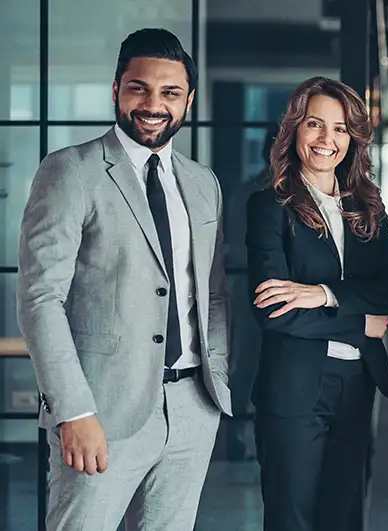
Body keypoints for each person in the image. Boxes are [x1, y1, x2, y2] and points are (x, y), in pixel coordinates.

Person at [17, 28, 231, 530]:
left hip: (192, 408)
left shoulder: (203, 184)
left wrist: (215, 385)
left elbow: (212, 294)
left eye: (170, 92)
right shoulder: (70, 171)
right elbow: (41, 299)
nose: (153, 104)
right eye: (139, 88)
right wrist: (72, 411)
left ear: (188, 100)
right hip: (100, 411)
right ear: (116, 90)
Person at [246, 76, 388, 531]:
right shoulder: (269, 207)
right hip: (295, 387)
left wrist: (321, 293)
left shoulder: (365, 206)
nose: (327, 140)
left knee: (344, 517)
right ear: (294, 130)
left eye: (340, 129)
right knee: (293, 519)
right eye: (315, 125)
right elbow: (273, 311)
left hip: (356, 383)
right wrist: (361, 324)